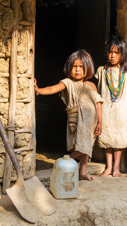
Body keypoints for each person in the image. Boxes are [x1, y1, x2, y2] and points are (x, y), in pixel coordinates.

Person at [34, 50, 103, 181]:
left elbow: (98, 103)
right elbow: (52, 89)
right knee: (82, 146)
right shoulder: (67, 83)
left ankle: (82, 172)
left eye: (81, 66)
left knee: (87, 148)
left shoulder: (91, 85)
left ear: (88, 68)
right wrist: (38, 90)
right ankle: (66, 161)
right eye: (74, 66)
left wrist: (99, 122)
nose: (77, 70)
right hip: (77, 120)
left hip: (91, 123)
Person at [94, 36, 127, 177]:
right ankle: (108, 167)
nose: (112, 56)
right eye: (110, 52)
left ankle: (116, 167)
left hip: (123, 111)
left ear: (123, 54)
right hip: (106, 110)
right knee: (107, 138)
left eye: (116, 53)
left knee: (119, 139)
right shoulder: (102, 71)